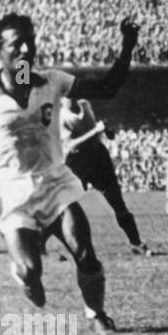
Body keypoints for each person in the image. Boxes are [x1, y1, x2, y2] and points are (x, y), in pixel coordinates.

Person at [0, 14, 140, 335]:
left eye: (29, 41)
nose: (25, 48)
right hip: (11, 193)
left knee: (85, 252)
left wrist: (128, 46)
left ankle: (97, 315)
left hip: (54, 184)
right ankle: (25, 275)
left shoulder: (51, 81)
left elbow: (107, 87)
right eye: (15, 44)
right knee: (30, 268)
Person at [59, 96, 152, 255]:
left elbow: (96, 128)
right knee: (66, 206)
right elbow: (70, 144)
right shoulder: (61, 117)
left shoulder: (85, 105)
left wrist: (106, 131)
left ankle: (135, 242)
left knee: (118, 203)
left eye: (73, 91)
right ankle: (49, 243)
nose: (72, 96)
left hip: (98, 157)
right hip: (77, 161)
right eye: (67, 93)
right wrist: (95, 131)